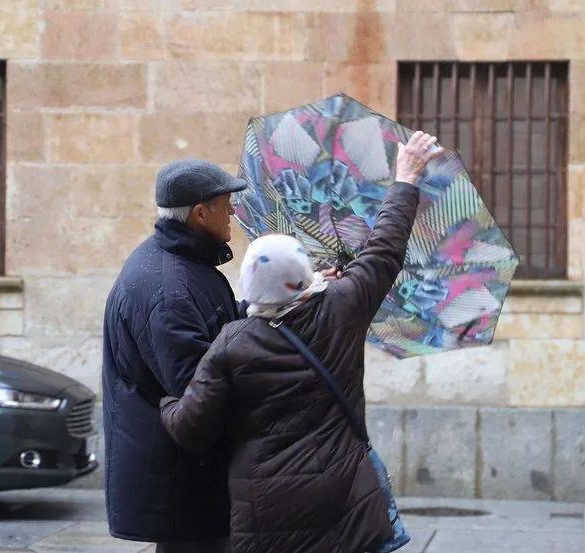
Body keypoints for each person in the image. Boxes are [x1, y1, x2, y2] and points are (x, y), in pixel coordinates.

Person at [159, 131, 439, 553]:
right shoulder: (342, 308)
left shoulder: (232, 342)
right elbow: (384, 250)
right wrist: (406, 178)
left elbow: (188, 428)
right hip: (345, 504)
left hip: (269, 514)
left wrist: (164, 402)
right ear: (305, 276)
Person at [102, 159, 248, 553]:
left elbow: (218, 328)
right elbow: (197, 393)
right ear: (201, 213)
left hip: (187, 477)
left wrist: (280, 304)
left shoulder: (181, 265)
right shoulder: (169, 289)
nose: (233, 211)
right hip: (181, 483)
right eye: (225, 203)